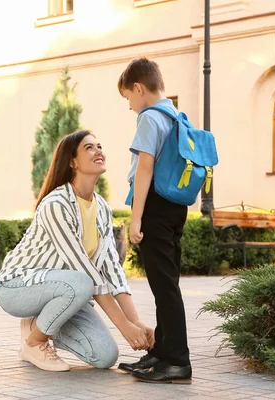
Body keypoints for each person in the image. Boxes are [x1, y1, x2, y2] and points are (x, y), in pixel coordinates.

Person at [0, 129, 154, 372]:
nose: (98, 150)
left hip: (67, 289)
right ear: (72, 162)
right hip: (18, 286)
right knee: (83, 282)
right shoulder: (56, 205)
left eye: (99, 146)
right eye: (89, 147)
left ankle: (41, 322)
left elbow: (112, 270)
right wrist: (124, 328)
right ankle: (34, 342)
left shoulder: (101, 208)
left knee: (105, 357)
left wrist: (136, 323)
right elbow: (87, 273)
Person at [116, 57, 192, 384]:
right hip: (176, 206)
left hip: (156, 208)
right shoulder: (177, 115)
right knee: (166, 284)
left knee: (164, 287)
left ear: (139, 88)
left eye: (128, 99)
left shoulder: (149, 118)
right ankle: (162, 352)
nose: (130, 106)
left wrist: (136, 221)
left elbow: (144, 169)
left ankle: (176, 362)